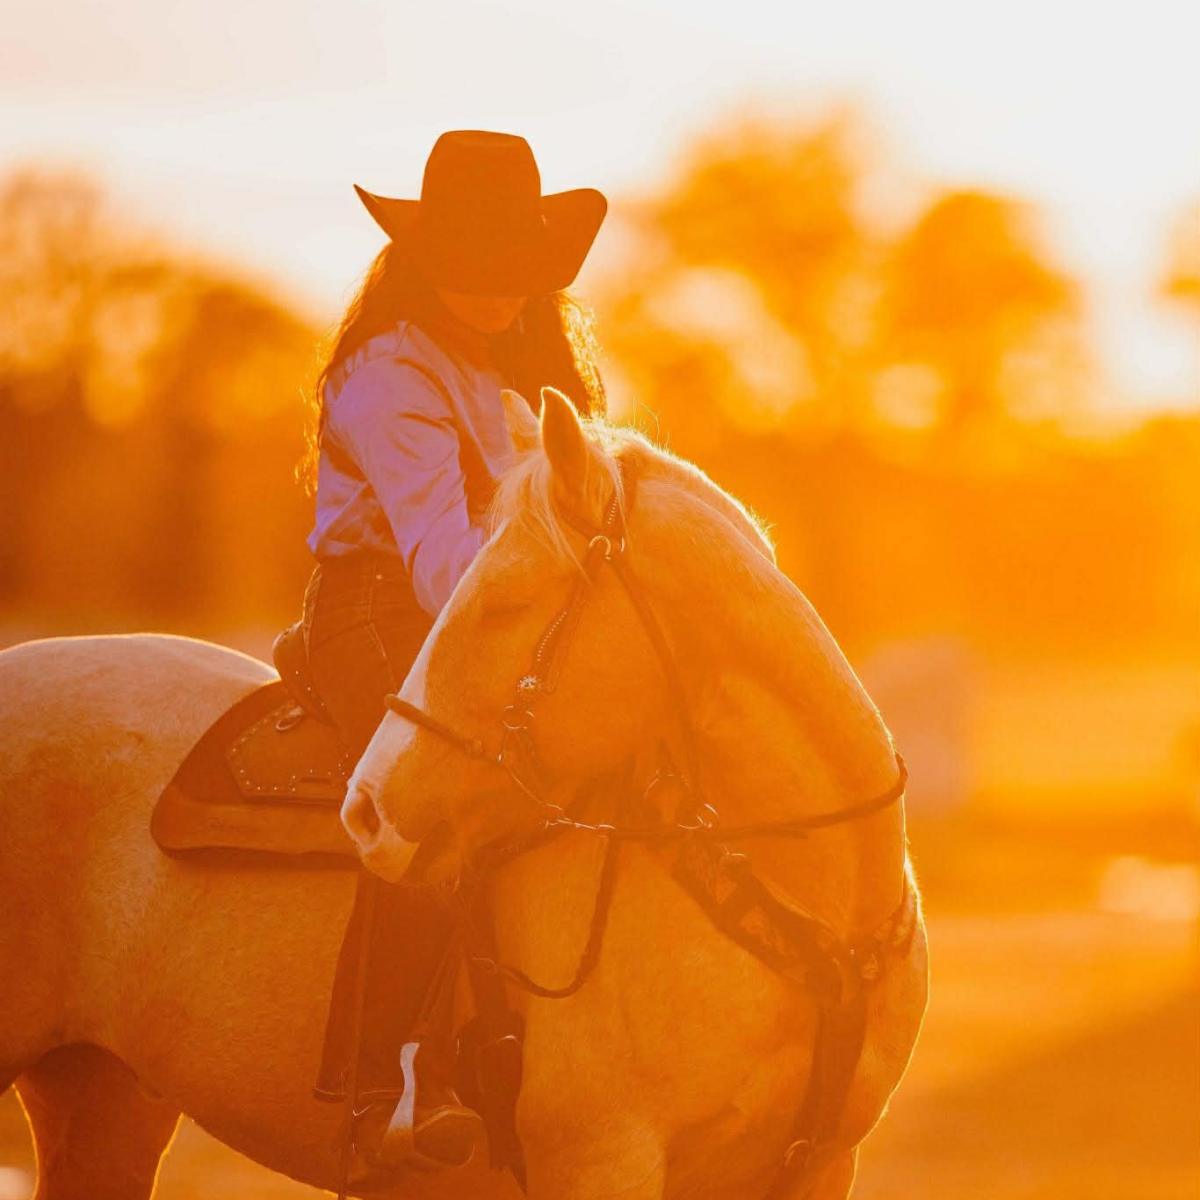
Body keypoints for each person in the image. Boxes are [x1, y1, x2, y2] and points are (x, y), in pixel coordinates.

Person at [298, 130, 608, 1177]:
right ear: (427, 261)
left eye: (516, 265)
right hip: (384, 611)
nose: (498, 286)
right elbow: (445, 567)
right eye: (475, 265)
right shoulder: (390, 376)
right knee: (431, 801)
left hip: (514, 609)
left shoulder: (521, 363)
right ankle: (388, 1079)